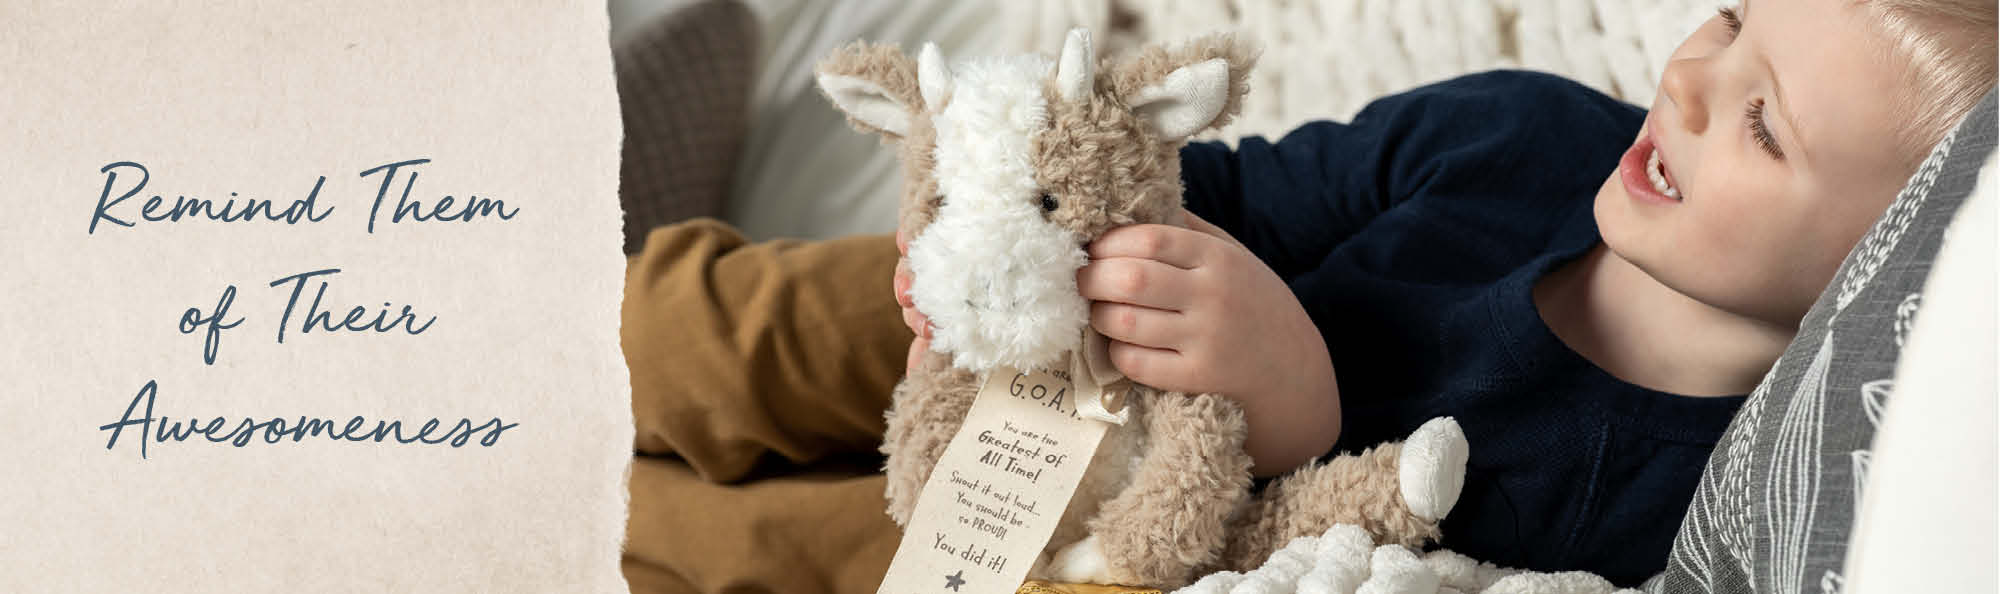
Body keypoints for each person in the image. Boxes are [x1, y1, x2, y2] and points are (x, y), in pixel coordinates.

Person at [620, 0, 1996, 592]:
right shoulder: (1524, 131)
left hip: (1106, 524)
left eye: (1762, 124)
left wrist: (1296, 400)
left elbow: (1359, 560)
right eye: (1738, 17)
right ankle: (588, 263)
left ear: (1882, 275)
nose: (1689, 77)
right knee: (713, 328)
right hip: (1041, 304)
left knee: (718, 551)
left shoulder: (1675, 501)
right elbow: (1241, 183)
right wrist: (1044, 240)